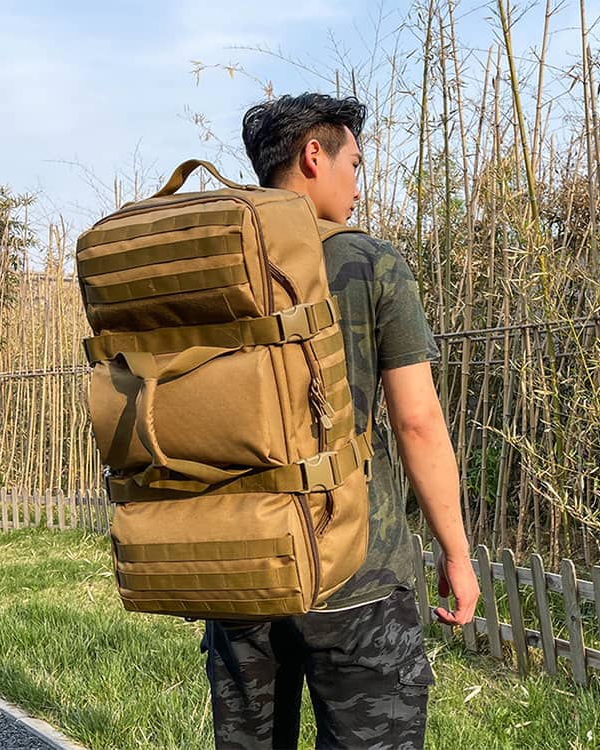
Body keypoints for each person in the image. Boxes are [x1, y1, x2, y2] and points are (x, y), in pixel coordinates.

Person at [200, 93, 480, 750]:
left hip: (240, 571)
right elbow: (417, 423)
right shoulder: (370, 263)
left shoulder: (212, 265)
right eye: (353, 163)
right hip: (356, 575)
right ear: (313, 156)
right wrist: (456, 554)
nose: (358, 184)